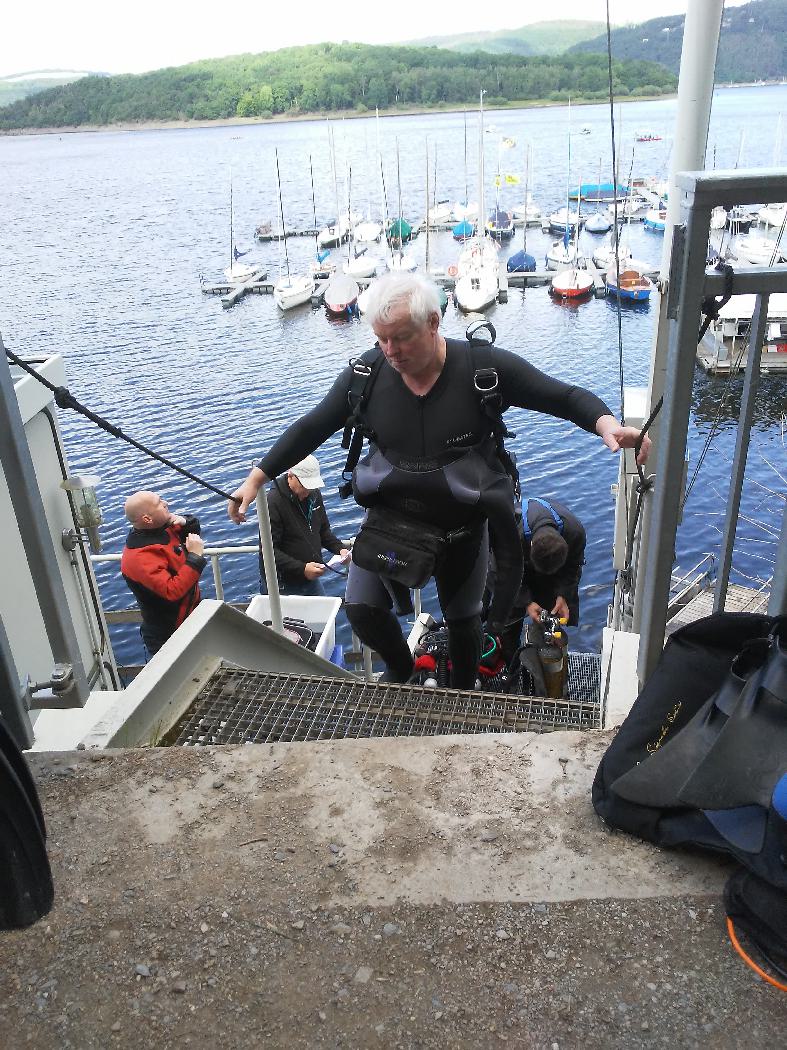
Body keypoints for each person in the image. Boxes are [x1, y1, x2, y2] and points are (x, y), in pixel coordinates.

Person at [228, 272, 651, 688]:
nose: (390, 351)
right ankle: (400, 666)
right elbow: (312, 426)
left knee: (465, 622)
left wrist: (605, 423)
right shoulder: (366, 377)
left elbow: (560, 395)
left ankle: (463, 694)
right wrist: (259, 476)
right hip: (391, 520)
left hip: (462, 526)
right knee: (360, 609)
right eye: (381, 339)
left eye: (401, 338)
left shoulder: (482, 370)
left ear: (433, 322)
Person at [490, 497, 586, 662]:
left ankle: (547, 658)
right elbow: (499, 575)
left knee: (551, 615)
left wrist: (563, 595)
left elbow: (573, 567)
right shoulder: (508, 534)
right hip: (513, 565)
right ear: (532, 546)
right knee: (507, 623)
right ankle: (510, 664)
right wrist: (526, 601)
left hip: (549, 566)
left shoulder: (575, 532)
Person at [121, 490, 206, 657]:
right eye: (159, 503)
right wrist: (195, 558)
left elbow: (192, 531)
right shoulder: (139, 557)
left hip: (190, 616)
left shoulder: (162, 527)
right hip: (168, 633)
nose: (166, 503)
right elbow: (171, 591)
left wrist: (186, 521)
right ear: (147, 519)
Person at [261, 455, 351, 596]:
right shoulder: (273, 502)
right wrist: (302, 568)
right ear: (290, 476)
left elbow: (323, 532)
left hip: (310, 579)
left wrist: (340, 549)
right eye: (304, 485)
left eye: (311, 486)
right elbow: (268, 551)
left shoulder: (314, 494)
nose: (307, 491)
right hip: (284, 584)